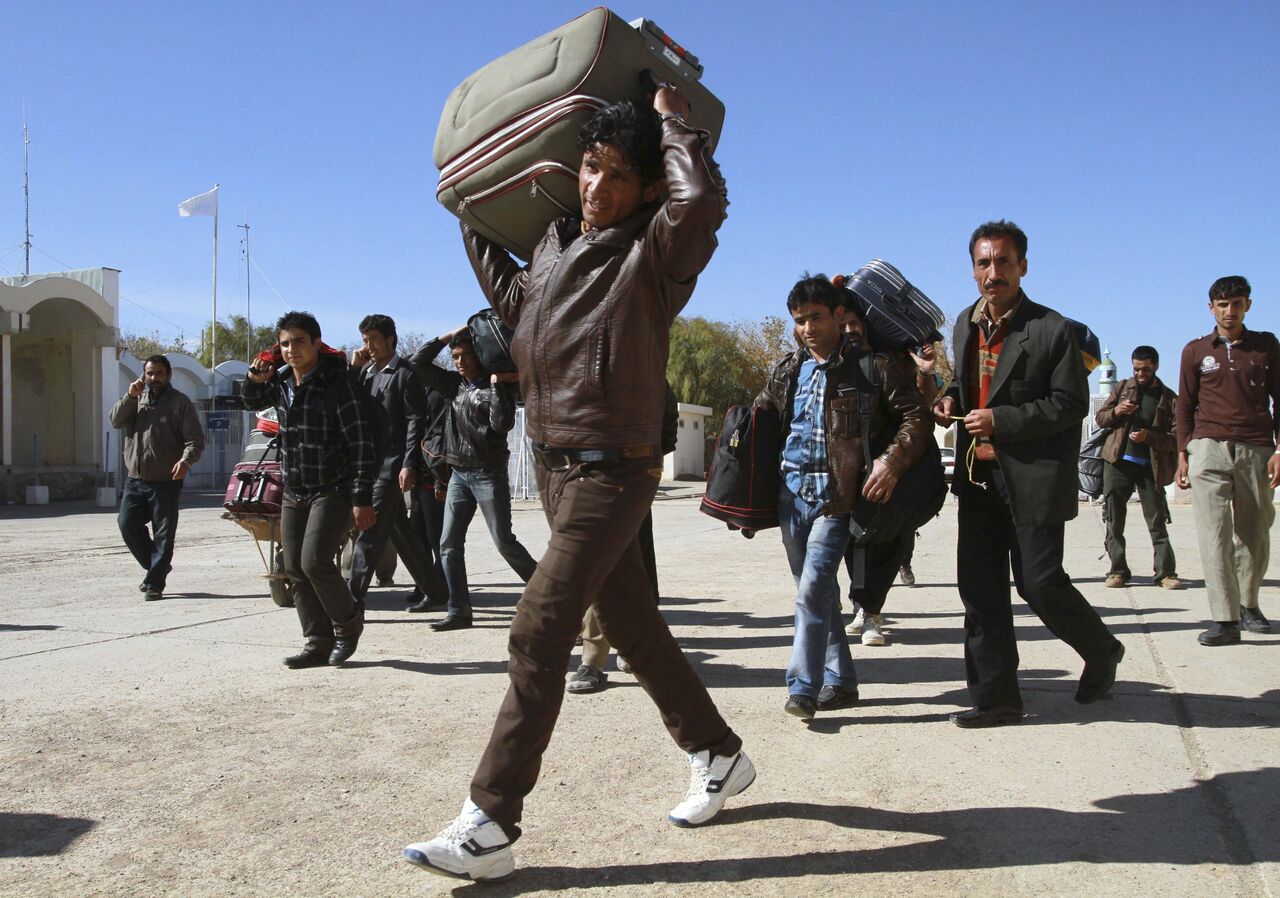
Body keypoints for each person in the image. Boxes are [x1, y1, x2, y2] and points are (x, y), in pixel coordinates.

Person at [402, 88, 751, 883]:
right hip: (557, 471)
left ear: (648, 186)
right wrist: (467, 200)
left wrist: (671, 119)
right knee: (634, 628)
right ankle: (718, 753)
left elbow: (700, 202)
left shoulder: (655, 253)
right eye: (591, 166)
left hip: (613, 471)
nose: (598, 186)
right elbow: (518, 305)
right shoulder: (555, 242)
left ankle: (491, 822)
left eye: (618, 175)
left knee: (538, 631)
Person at [933, 220, 1124, 728]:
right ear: (972, 269)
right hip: (978, 479)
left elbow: (1069, 403)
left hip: (1031, 479)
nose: (992, 272)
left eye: (1003, 262)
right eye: (983, 263)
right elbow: (965, 381)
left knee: (1039, 584)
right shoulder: (964, 323)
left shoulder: (1051, 329)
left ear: (1023, 266)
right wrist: (950, 397)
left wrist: (1002, 421)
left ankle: (1101, 649)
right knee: (979, 592)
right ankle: (996, 700)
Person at [756, 275, 928, 719]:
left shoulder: (873, 367)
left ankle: (802, 687)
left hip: (837, 501)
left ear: (838, 316)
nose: (807, 328)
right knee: (816, 594)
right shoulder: (788, 370)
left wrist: (892, 461)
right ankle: (843, 681)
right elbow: (763, 418)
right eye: (799, 320)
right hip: (791, 498)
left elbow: (916, 416)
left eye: (816, 317)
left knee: (812, 589)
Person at [244, 311, 376, 668]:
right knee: (294, 567)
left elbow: (361, 444)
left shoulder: (337, 385)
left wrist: (362, 499)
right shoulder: (281, 382)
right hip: (294, 488)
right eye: (285, 344)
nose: (292, 350)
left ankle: (347, 624)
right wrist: (255, 378)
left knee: (315, 562)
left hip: (332, 489)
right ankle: (317, 641)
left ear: (317, 343)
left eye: (299, 342)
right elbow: (252, 402)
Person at [409, 328, 537, 631]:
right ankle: (459, 611)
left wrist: (497, 385)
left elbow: (502, 424)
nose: (459, 361)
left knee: (504, 542)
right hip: (458, 475)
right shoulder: (454, 385)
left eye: (465, 355)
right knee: (448, 545)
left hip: (488, 474)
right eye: (455, 357)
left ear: (479, 356)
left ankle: (552, 595)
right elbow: (417, 362)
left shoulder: (494, 386)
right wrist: (450, 335)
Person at [1175, 275, 1280, 645]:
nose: (1229, 311)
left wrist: (1279, 450)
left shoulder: (1266, 346)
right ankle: (1225, 619)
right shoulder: (1195, 351)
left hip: (1256, 449)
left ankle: (1248, 604)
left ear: (1247, 305)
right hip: (1207, 448)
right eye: (1222, 304)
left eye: (1236, 303)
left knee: (1255, 534)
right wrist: (1183, 454)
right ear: (1211, 308)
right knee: (1214, 534)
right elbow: (1185, 406)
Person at [568, 385, 678, 694]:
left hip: (633, 477)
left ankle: (631, 647)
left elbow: (667, 412)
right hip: (586, 476)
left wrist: (650, 461)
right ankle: (594, 659)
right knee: (597, 570)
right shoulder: (577, 367)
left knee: (634, 569)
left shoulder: (642, 369)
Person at [843, 326, 940, 646]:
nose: (848, 329)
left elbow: (922, 409)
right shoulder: (837, 363)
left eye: (853, 323)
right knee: (853, 540)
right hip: (852, 469)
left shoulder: (890, 362)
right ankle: (861, 604)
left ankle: (871, 610)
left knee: (887, 540)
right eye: (842, 323)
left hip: (897, 468)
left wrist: (924, 371)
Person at [345, 314, 448, 609]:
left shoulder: (405, 374)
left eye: (374, 340)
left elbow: (416, 421)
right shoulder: (366, 374)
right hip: (369, 464)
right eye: (365, 340)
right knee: (402, 534)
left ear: (390, 339)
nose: (369, 346)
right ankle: (436, 590)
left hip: (391, 466)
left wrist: (408, 463)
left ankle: (350, 598)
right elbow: (349, 402)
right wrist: (354, 369)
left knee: (369, 531)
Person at [109, 355, 205, 601]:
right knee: (126, 523)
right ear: (144, 375)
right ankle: (157, 566)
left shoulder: (180, 403)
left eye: (159, 373)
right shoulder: (136, 399)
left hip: (166, 480)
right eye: (150, 373)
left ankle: (154, 583)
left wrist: (185, 461)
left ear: (169, 374)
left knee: (164, 534)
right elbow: (115, 420)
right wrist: (130, 397)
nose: (154, 378)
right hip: (136, 479)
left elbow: (195, 440)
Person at [1095, 346, 1181, 590]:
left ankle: (1165, 574)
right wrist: (1117, 411)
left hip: (1150, 468)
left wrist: (1149, 437)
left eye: (1145, 369)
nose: (1140, 374)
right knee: (1114, 520)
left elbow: (1176, 438)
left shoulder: (1168, 398)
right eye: (1136, 369)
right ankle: (1117, 571)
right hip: (1117, 463)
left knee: (1157, 521)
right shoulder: (1122, 389)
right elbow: (1101, 419)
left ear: (1156, 366)